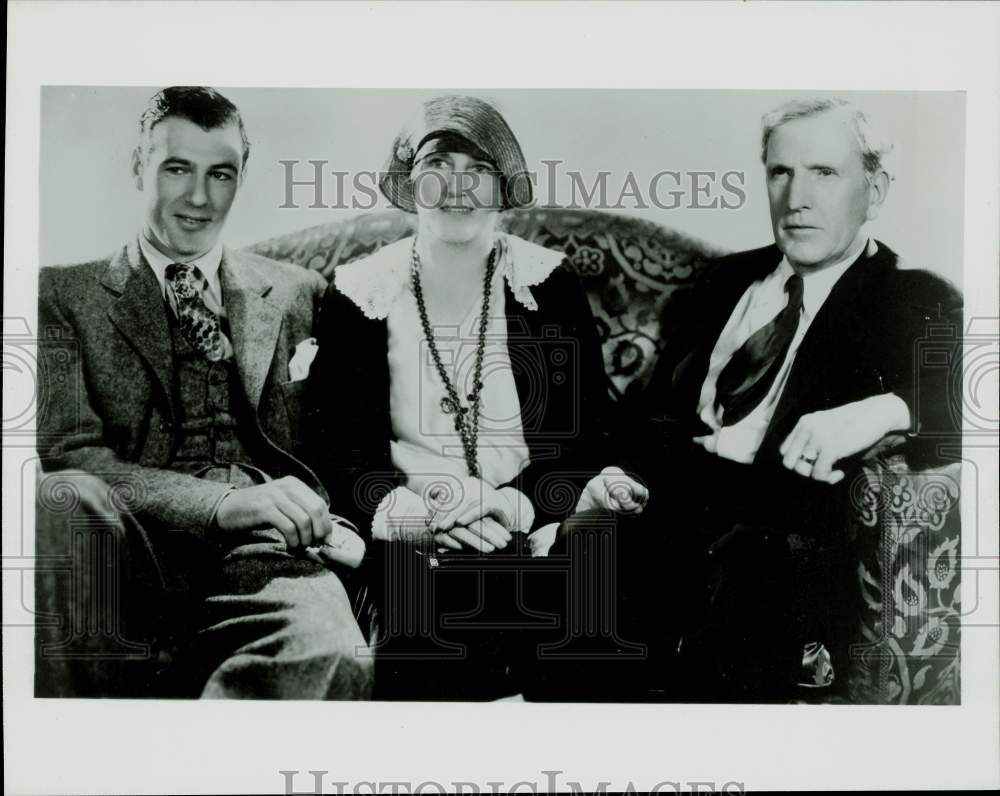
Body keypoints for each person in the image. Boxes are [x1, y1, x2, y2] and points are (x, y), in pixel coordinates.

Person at [570, 98, 964, 702]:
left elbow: (971, 401)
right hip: (662, 512)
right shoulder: (727, 281)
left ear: (876, 190)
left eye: (824, 173)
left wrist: (883, 410)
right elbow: (653, 415)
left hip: (765, 546)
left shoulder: (908, 299)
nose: (795, 198)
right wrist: (610, 479)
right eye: (781, 172)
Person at [35, 86, 372, 699]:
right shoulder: (58, 295)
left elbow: (348, 438)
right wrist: (218, 505)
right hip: (125, 545)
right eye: (176, 169)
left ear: (243, 178)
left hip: (267, 553)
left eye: (220, 174)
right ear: (138, 167)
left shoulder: (302, 292)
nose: (199, 198)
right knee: (63, 498)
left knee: (332, 654)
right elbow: (70, 457)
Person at [304, 94, 639, 700]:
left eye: (478, 170)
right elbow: (337, 449)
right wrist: (417, 516)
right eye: (437, 166)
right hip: (413, 534)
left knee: (593, 614)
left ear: (502, 187)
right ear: (410, 182)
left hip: (531, 519)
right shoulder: (360, 293)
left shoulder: (546, 284)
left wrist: (509, 506)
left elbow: (587, 435)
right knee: (430, 643)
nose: (457, 187)